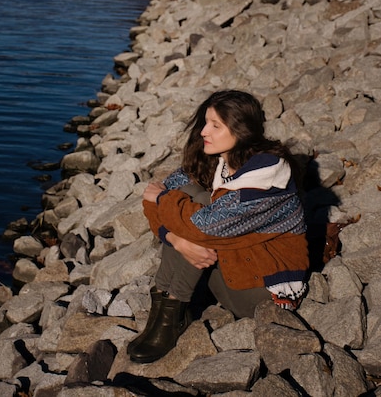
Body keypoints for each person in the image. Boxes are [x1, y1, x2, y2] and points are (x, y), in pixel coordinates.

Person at [127, 90, 309, 364]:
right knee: (187, 203)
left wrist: (174, 220)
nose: (203, 131)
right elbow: (152, 196)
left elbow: (200, 226)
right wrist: (176, 240)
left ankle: (172, 316)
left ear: (241, 130)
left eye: (215, 125)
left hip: (263, 292)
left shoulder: (267, 177)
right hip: (232, 270)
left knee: (192, 209)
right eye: (205, 122)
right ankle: (164, 311)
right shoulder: (218, 160)